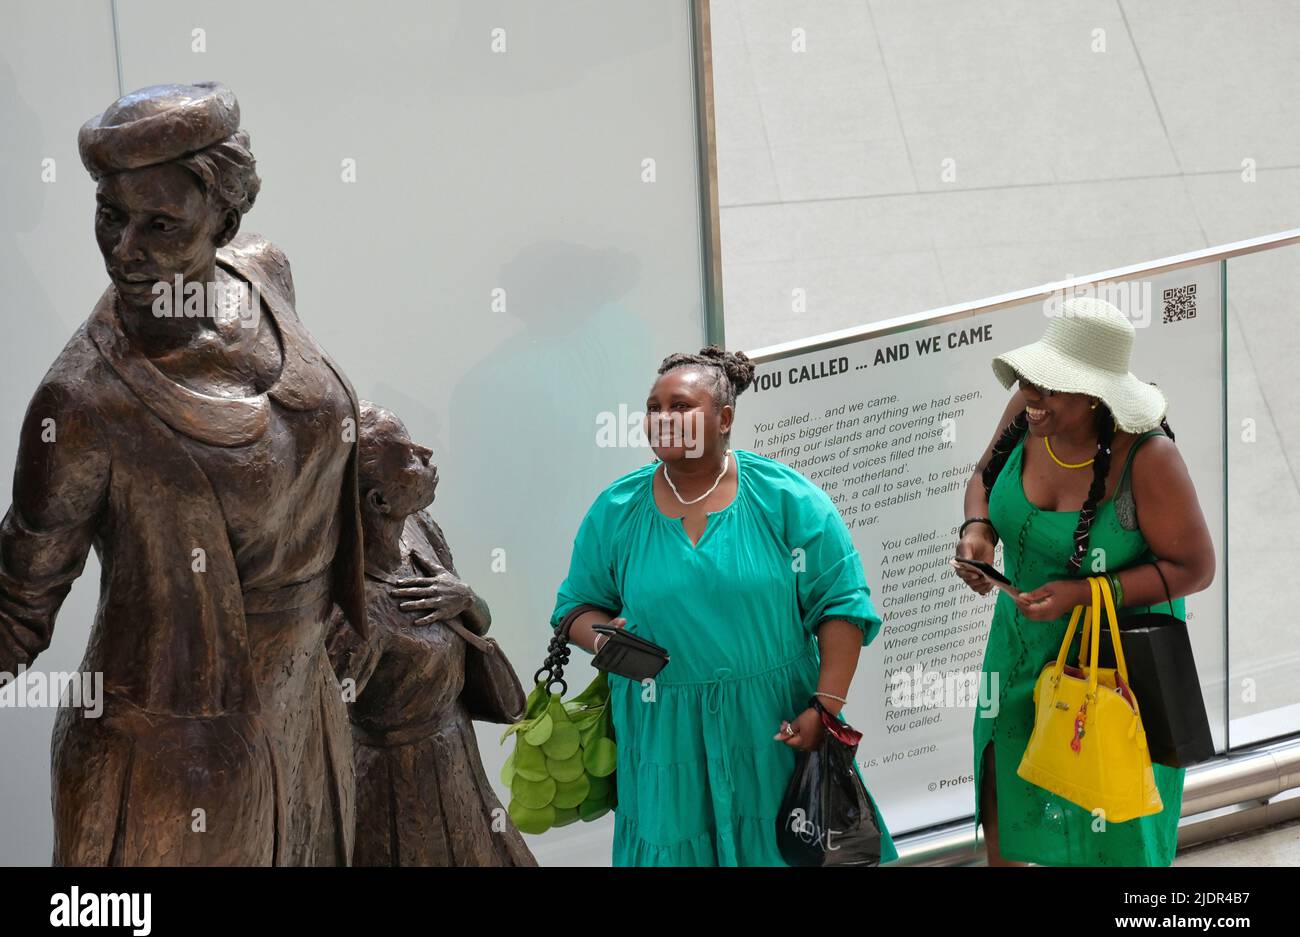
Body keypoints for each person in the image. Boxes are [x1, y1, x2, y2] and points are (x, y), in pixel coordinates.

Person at [0, 83, 366, 865]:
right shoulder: (83, 402)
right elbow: (15, 602)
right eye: (110, 216)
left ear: (225, 221)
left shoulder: (265, 276)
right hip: (171, 756)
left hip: (307, 713)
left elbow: (327, 466)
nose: (125, 249)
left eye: (160, 223)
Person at [550, 345, 896, 866]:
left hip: (770, 724)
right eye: (654, 407)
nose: (663, 419)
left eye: (680, 406)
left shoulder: (784, 498)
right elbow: (574, 607)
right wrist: (605, 637)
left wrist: (826, 708)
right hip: (661, 728)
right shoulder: (617, 510)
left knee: (779, 846)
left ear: (725, 417)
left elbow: (842, 604)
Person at [953, 297, 1216, 866]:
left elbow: (1196, 568)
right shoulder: (1026, 417)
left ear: (1096, 395)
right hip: (1020, 653)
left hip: (1112, 671)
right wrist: (979, 531)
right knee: (1011, 803)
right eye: (1029, 381)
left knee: (1110, 828)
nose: (1031, 395)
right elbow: (982, 475)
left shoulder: (1149, 458)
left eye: (1050, 387)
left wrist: (1088, 593)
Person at [327, 402, 537, 866]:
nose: (426, 453)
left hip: (458, 760)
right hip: (395, 789)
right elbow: (320, 728)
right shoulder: (354, 610)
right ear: (377, 501)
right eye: (406, 456)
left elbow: (474, 622)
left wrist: (468, 601)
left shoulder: (417, 531)